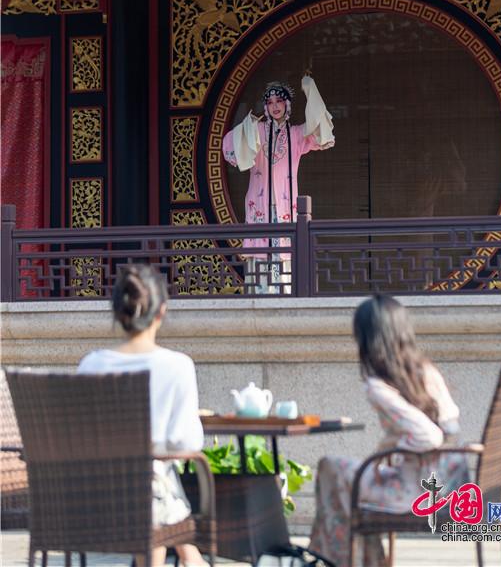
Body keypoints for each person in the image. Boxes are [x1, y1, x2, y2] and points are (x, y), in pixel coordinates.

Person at [309, 294, 468, 567]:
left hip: (412, 493)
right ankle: (367, 561)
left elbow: (429, 435)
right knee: (345, 481)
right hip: (444, 485)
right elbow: (449, 424)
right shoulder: (426, 371)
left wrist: (395, 451)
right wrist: (387, 450)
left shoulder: (377, 388)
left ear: (368, 339)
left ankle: (342, 560)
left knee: (330, 468)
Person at [77, 263, 207, 567]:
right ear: (161, 311)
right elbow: (188, 443)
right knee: (152, 475)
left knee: (150, 478)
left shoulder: (91, 365)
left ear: (116, 311)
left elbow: (80, 437)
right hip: (145, 499)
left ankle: (188, 558)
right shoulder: (176, 366)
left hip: (85, 502)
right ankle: (190, 558)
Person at [222, 73, 334, 293]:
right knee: (260, 254)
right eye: (270, 102)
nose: (275, 106)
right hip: (259, 203)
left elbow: (321, 131)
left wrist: (310, 90)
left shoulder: (296, 134)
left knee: (284, 254)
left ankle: (284, 297)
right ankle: (260, 297)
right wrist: (248, 125)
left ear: (287, 104)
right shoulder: (257, 131)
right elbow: (229, 146)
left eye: (279, 101)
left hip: (285, 205)